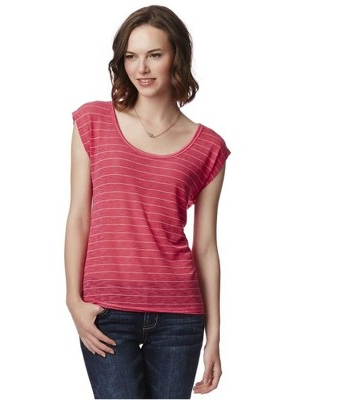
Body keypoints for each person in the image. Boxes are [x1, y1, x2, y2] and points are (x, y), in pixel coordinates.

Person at [64, 5, 231, 399]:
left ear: (177, 57)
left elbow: (206, 247)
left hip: (179, 317)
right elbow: (79, 218)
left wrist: (214, 336)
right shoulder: (93, 121)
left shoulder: (208, 147)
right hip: (106, 310)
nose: (141, 68)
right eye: (131, 56)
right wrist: (73, 300)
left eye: (154, 54)